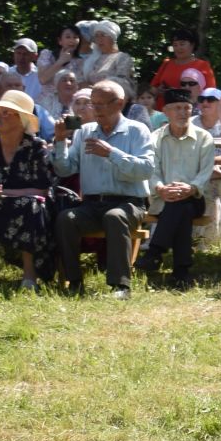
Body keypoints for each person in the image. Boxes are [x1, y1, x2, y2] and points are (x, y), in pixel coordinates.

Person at [50, 79, 154, 296]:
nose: (95, 109)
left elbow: (145, 169)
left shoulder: (137, 130)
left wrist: (111, 154)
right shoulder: (84, 131)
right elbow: (65, 169)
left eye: (101, 104)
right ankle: (74, 282)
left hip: (129, 203)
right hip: (91, 203)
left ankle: (120, 286)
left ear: (119, 103)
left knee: (115, 217)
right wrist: (60, 141)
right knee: (66, 218)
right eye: (92, 104)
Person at [0, 90, 58, 290]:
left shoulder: (36, 147)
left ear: (22, 119)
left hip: (29, 202)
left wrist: (5, 193)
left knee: (31, 207)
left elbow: (42, 190)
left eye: (7, 113)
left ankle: (29, 278)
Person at [136, 88, 218, 286]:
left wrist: (190, 188)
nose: (183, 113)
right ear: (165, 111)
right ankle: (181, 272)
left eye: (187, 108)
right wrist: (161, 189)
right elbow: (151, 171)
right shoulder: (154, 138)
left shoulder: (203, 137)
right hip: (162, 198)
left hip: (195, 196)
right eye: (177, 108)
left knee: (183, 204)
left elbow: (206, 172)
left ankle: (155, 252)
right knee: (181, 208)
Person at [149, 27, 216, 95]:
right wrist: (158, 90)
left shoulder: (203, 65)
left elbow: (211, 93)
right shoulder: (166, 63)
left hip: (190, 105)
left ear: (192, 45)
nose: (178, 48)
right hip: (163, 105)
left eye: (182, 44)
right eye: (175, 45)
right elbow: (151, 88)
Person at [79, 20, 135, 91]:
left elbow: (122, 82)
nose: (99, 39)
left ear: (113, 37)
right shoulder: (92, 58)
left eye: (103, 35)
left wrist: (96, 88)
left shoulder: (122, 58)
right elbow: (80, 79)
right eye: (96, 36)